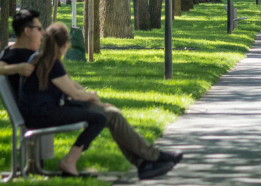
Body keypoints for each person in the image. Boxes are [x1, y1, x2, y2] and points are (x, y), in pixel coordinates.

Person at [12, 22, 179, 179]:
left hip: (45, 111)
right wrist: (92, 96)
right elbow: (75, 94)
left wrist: (96, 101)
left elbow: (71, 85)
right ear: (64, 45)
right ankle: (69, 161)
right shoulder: (49, 62)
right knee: (99, 118)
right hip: (42, 115)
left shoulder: (44, 58)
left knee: (111, 114)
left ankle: (144, 162)